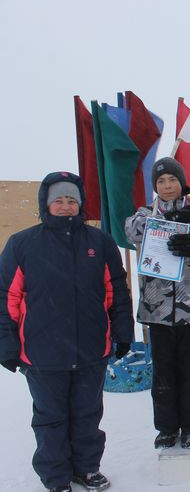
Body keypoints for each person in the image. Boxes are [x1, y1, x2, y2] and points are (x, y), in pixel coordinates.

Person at [0, 172, 134, 492]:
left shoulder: (99, 243)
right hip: (42, 352)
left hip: (91, 348)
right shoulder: (22, 244)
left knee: (87, 414)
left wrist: (123, 331)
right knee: (51, 418)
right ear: (45, 204)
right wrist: (6, 343)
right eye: (58, 200)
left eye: (71, 200)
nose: (65, 206)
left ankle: (86, 468)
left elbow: (116, 291)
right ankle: (56, 477)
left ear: (80, 204)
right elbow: (7, 297)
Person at [125, 157, 190, 450]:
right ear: (155, 186)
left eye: (172, 180)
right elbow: (130, 230)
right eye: (161, 182)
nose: (167, 186)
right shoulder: (145, 214)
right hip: (158, 309)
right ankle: (166, 428)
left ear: (182, 183)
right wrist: (172, 219)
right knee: (164, 371)